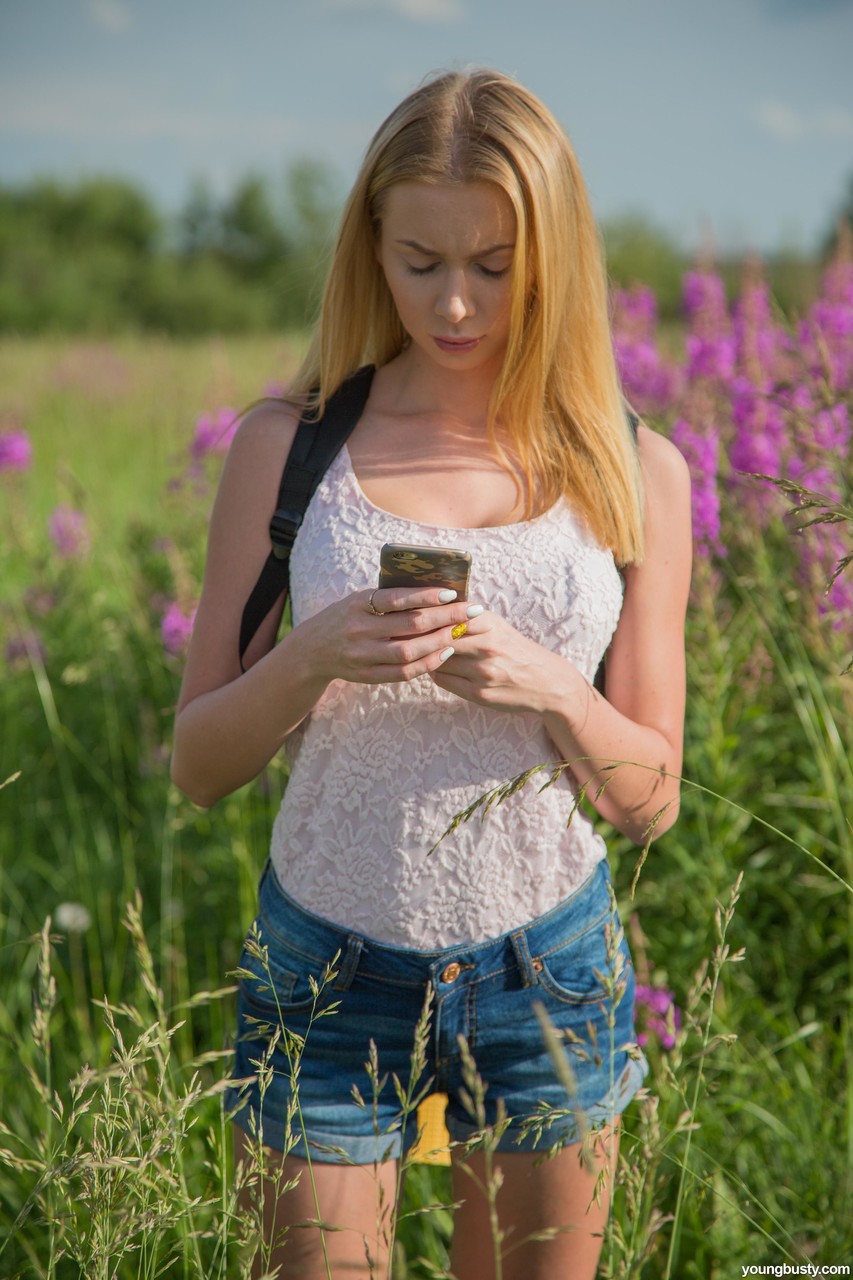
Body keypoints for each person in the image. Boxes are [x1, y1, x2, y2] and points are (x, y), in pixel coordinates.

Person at [171, 67, 691, 1280]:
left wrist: (557, 687)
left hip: (546, 971)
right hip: (326, 963)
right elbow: (198, 764)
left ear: (553, 256)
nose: (454, 302)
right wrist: (312, 656)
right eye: (419, 261)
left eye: (494, 267)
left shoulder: (636, 469)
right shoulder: (287, 447)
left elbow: (653, 797)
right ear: (370, 245)